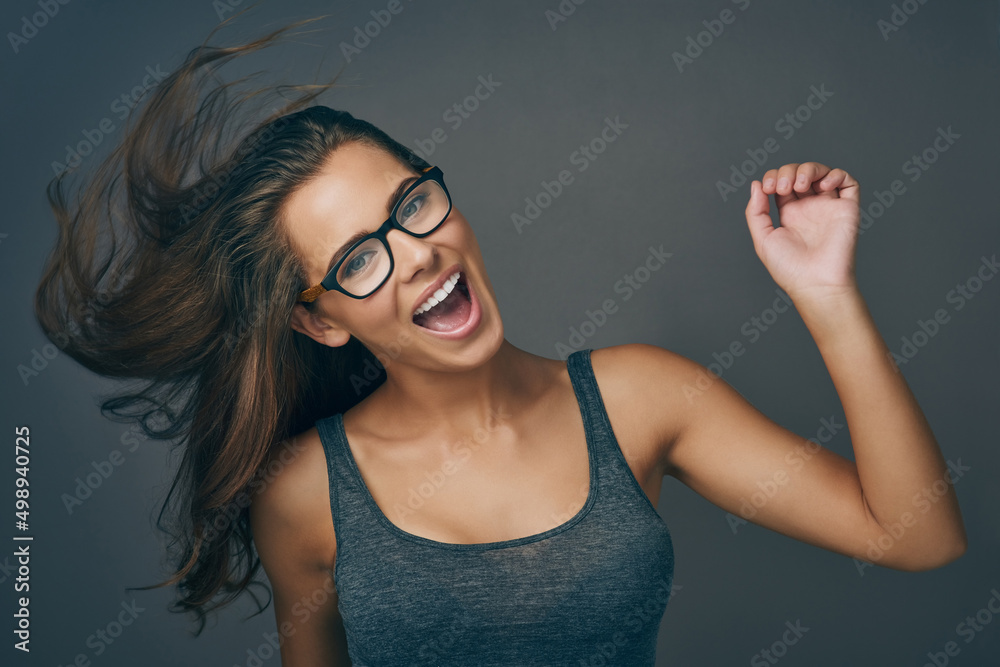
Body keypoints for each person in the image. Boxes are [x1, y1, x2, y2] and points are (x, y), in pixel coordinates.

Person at [34, 18, 967, 667]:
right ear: (320, 319)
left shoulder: (644, 400)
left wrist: (825, 293)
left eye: (412, 205)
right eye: (359, 257)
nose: (415, 253)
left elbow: (916, 533)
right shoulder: (304, 496)